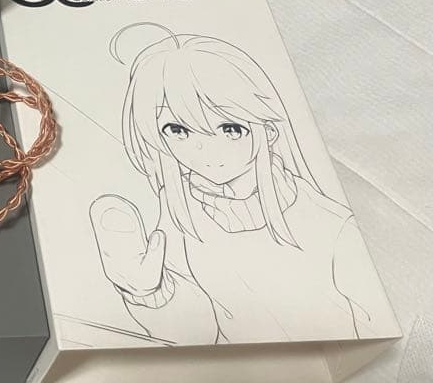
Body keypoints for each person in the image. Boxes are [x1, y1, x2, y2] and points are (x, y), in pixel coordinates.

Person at [90, 25, 392, 345]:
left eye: (230, 128)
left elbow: (371, 331)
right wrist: (148, 292)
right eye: (177, 130)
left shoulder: (331, 225)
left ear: (269, 131)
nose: (203, 148)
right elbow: (196, 332)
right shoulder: (180, 207)